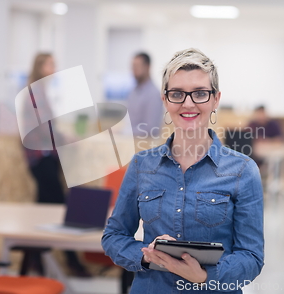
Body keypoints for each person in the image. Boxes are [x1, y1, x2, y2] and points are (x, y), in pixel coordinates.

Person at [102, 48, 264, 293]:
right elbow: (113, 236)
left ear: (215, 99)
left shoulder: (243, 170)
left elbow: (251, 257)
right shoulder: (141, 165)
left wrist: (204, 276)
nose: (188, 104)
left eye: (200, 93)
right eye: (177, 94)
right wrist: (147, 255)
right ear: (165, 100)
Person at [22, 53, 90, 277]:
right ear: (40, 67)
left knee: (44, 209)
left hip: (47, 156)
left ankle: (33, 261)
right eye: (50, 64)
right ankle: (71, 261)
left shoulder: (40, 92)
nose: (54, 68)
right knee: (60, 207)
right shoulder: (35, 93)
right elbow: (43, 128)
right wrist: (65, 138)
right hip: (41, 158)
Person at [127, 52, 163, 139]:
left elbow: (152, 129)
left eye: (137, 66)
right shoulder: (133, 92)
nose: (134, 70)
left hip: (145, 147)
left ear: (147, 67)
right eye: (133, 67)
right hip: (130, 144)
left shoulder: (154, 94)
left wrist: (126, 131)